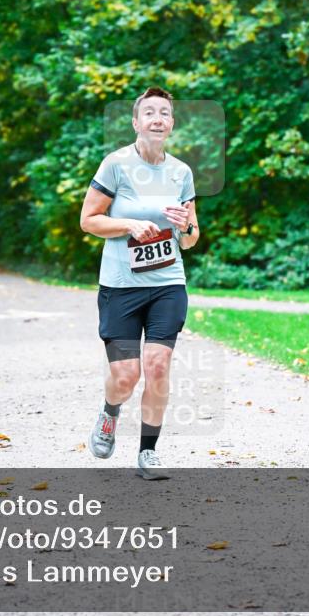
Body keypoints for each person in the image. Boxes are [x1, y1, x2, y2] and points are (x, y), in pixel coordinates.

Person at [78, 87, 200, 480]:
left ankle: (148, 452)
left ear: (172, 124)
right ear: (136, 122)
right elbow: (89, 220)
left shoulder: (181, 172)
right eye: (149, 112)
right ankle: (110, 412)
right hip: (120, 285)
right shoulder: (115, 165)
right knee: (126, 376)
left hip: (168, 282)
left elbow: (192, 237)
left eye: (164, 113)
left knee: (158, 366)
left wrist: (186, 227)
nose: (157, 118)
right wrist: (129, 224)